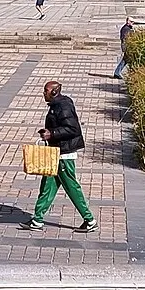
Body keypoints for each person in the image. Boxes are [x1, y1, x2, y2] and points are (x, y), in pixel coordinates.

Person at [25, 80, 95, 232]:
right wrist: (49, 133)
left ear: (54, 92)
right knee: (47, 186)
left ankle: (89, 220)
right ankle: (37, 219)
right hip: (55, 153)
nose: (44, 93)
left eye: (46, 91)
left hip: (64, 155)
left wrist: (52, 133)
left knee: (72, 187)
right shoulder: (57, 105)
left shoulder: (63, 106)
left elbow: (73, 129)